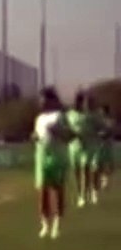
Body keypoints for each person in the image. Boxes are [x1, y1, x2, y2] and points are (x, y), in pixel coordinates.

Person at [32, 87, 74, 239]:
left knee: (57, 190)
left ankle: (57, 224)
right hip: (42, 155)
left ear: (50, 100)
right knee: (42, 191)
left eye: (43, 98)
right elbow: (37, 135)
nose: (41, 102)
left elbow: (71, 135)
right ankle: (44, 225)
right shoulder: (39, 119)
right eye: (40, 99)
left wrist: (58, 132)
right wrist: (35, 137)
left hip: (58, 156)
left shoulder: (60, 116)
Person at [66, 92, 99, 207]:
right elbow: (66, 129)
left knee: (85, 168)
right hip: (74, 147)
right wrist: (69, 135)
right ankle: (80, 193)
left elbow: (100, 127)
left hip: (88, 146)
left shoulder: (90, 116)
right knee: (76, 172)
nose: (84, 104)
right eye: (82, 101)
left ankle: (85, 194)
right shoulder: (69, 115)